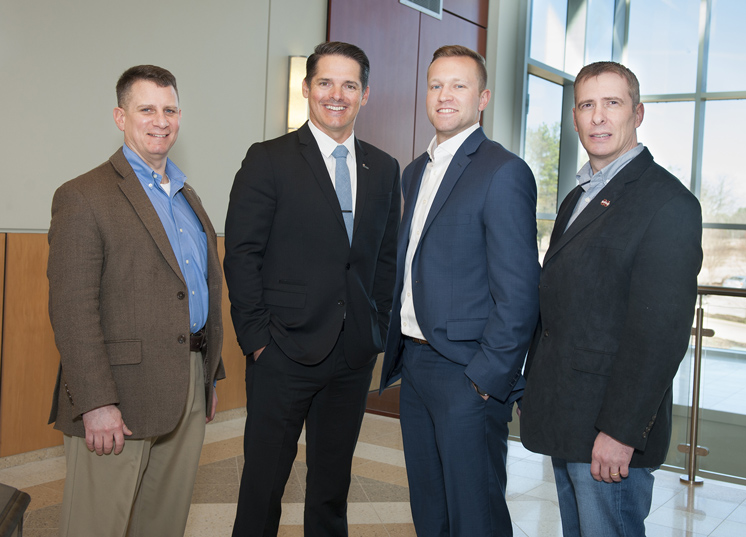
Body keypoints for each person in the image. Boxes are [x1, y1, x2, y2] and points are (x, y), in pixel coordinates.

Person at [224, 41, 400, 536]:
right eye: (325, 82)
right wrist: (258, 339)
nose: (336, 94)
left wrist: (375, 327)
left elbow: (383, 259)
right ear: (306, 89)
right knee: (263, 489)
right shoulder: (269, 159)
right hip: (281, 351)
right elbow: (242, 254)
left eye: (349, 85)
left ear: (365, 94)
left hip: (350, 356)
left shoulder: (383, 168)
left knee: (331, 490)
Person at [520, 61, 703, 536]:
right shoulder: (580, 194)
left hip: (609, 434)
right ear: (575, 118)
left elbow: (659, 336)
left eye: (612, 103)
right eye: (586, 105)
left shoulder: (668, 204)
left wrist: (621, 432)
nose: (598, 116)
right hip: (569, 417)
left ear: (637, 113)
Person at [47, 64, 225, 537]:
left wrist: (207, 375)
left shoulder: (188, 197)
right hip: (118, 396)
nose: (159, 120)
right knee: (96, 525)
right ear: (120, 117)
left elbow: (198, 288)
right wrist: (96, 402)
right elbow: (72, 310)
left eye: (169, 109)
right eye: (146, 109)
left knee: (163, 523)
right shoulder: (83, 196)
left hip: (187, 384)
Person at [379, 45, 540, 536]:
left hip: (466, 374)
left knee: (477, 516)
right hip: (417, 365)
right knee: (430, 512)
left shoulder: (502, 171)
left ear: (483, 97)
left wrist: (484, 380)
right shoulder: (415, 171)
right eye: (435, 85)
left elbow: (519, 292)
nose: (444, 96)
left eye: (459, 85)